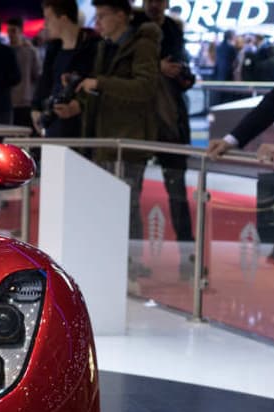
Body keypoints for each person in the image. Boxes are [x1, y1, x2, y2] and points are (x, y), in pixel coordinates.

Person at [53, 0, 160, 242]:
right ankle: (112, 260)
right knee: (107, 205)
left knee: (127, 206)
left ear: (121, 16)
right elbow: (101, 91)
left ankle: (131, 265)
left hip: (128, 140)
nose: (97, 22)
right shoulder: (106, 46)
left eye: (102, 16)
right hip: (103, 139)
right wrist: (77, 104)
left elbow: (145, 87)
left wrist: (100, 83)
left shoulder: (143, 45)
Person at [145, 0, 196, 275]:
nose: (154, 5)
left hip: (171, 127)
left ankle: (189, 261)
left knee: (178, 196)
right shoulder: (135, 26)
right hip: (139, 127)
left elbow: (184, 72)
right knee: (128, 196)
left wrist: (182, 76)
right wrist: (157, 68)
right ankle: (132, 262)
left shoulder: (174, 31)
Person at [32, 0, 100, 138]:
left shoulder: (92, 47)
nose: (45, 24)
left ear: (62, 19)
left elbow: (96, 86)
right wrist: (36, 108)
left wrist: (79, 105)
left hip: (81, 128)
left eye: (48, 19)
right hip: (53, 124)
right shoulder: (53, 48)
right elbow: (45, 80)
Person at [6, 17, 41, 132]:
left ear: (20, 31)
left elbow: (36, 74)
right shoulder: (6, 51)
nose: (10, 34)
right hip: (8, 100)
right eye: (9, 31)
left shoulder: (29, 51)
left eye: (13, 31)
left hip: (24, 100)